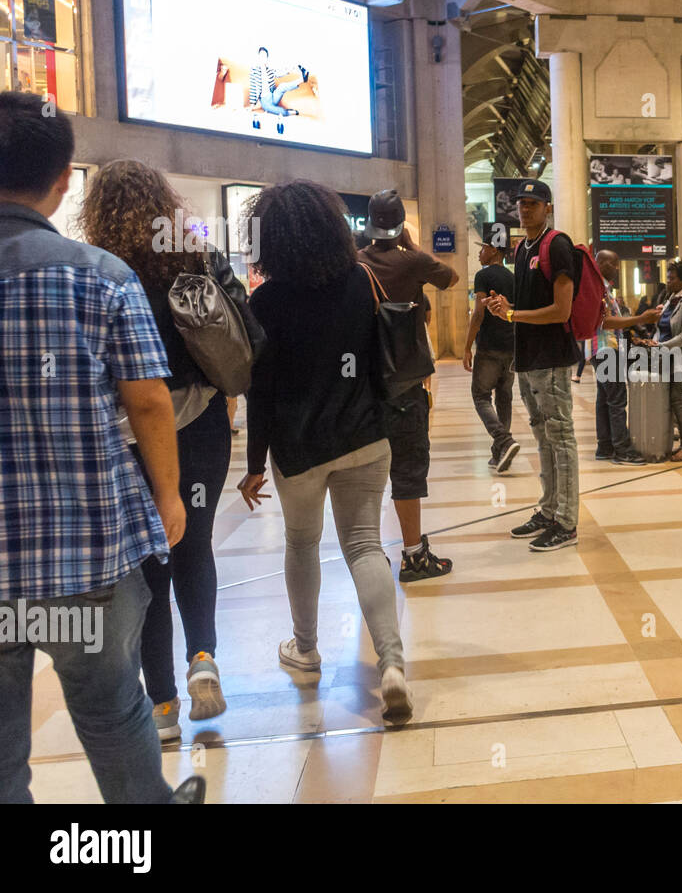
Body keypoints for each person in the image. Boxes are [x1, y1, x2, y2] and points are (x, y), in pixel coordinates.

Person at [0, 92, 203, 803]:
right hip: (83, 549)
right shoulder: (98, 277)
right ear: (62, 183)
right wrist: (169, 494)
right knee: (111, 706)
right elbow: (148, 397)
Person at [77, 159, 264, 740]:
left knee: (149, 564)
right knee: (196, 543)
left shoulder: (100, 270)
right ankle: (203, 658)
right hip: (202, 422)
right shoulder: (195, 254)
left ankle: (160, 707)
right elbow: (244, 330)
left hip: (132, 430)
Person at [236, 180, 413, 727]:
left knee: (302, 544)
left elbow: (259, 391)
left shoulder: (265, 301)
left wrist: (253, 463)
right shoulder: (360, 282)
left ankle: (307, 649)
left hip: (300, 447)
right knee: (364, 546)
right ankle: (392, 665)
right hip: (364, 436)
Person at [357, 189, 458, 581]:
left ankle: (367, 557)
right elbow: (451, 278)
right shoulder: (413, 261)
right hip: (405, 385)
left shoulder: (356, 262)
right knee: (408, 468)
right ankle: (413, 555)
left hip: (364, 388)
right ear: (400, 225)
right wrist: (411, 249)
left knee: (366, 474)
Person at [484, 180, 582, 552]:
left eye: (533, 203)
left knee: (561, 439)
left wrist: (514, 313)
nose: (525, 209)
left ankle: (567, 522)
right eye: (522, 203)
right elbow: (524, 307)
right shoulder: (523, 248)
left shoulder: (556, 244)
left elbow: (562, 310)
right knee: (543, 439)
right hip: (527, 360)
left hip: (552, 360)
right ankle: (549, 510)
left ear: (548, 207)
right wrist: (505, 308)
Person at [593, 249, 660, 465]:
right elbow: (606, 322)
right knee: (617, 399)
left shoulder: (602, 288)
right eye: (613, 264)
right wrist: (641, 317)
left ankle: (605, 446)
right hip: (606, 348)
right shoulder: (598, 289)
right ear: (601, 263)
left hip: (603, 349)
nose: (617, 268)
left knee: (604, 399)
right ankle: (622, 450)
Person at [635, 259, 682, 462]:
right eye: (667, 277)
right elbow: (662, 329)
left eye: (671, 278)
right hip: (669, 360)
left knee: (681, 402)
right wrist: (652, 341)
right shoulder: (670, 299)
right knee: (673, 402)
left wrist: (661, 346)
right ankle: (680, 441)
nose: (668, 282)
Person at [464, 239, 521, 474]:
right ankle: (499, 453)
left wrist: (467, 346)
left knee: (480, 396)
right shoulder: (514, 277)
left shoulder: (483, 275)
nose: (479, 252)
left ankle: (504, 440)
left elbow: (478, 313)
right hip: (511, 347)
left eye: (483, 248)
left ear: (494, 250)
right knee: (504, 397)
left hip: (489, 347)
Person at [248, 46, 308, 120]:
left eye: (265, 56)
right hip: (265, 102)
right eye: (261, 56)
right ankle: (291, 112)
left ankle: (303, 79)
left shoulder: (269, 70)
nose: (263, 58)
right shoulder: (254, 71)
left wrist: (290, 70)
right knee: (280, 112)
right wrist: (251, 106)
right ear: (258, 57)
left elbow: (279, 73)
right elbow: (253, 88)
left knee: (282, 86)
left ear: (267, 58)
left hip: (273, 96)